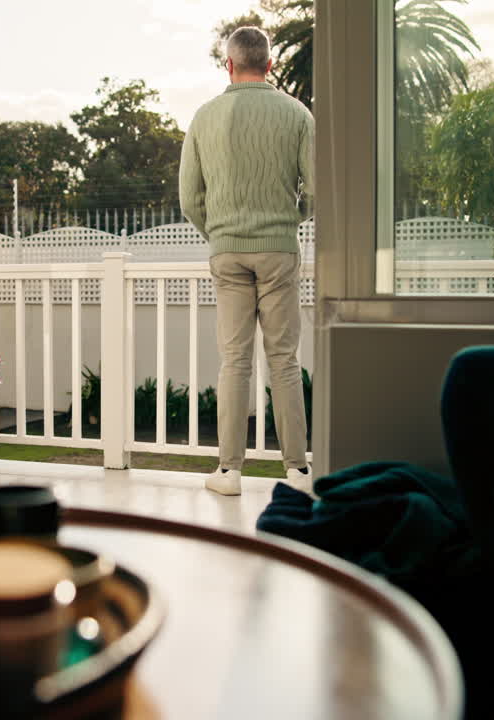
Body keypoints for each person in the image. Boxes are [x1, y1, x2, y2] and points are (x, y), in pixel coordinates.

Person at [179, 27, 314, 496]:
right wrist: (290, 219)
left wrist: (218, 233)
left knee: (235, 361)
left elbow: (189, 199)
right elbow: (316, 190)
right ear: (270, 65)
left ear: (229, 65)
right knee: (284, 360)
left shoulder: (204, 117)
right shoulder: (297, 114)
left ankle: (229, 472)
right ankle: (297, 471)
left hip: (227, 251)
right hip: (279, 251)